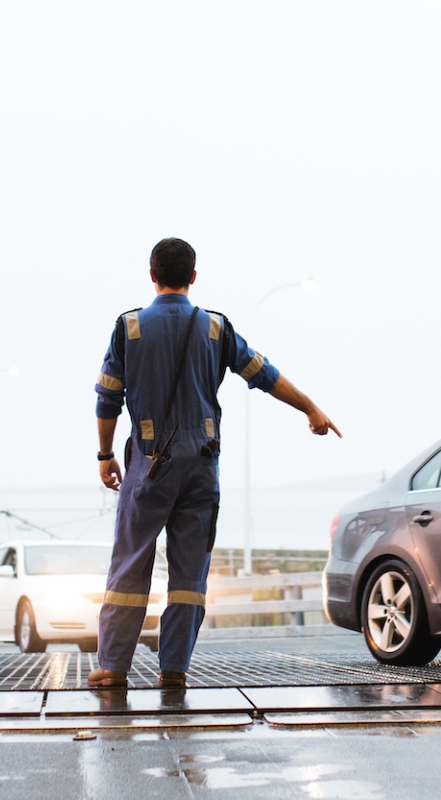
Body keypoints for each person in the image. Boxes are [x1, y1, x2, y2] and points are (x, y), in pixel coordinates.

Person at [88, 237, 341, 688]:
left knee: (129, 566)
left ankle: (112, 668)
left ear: (152, 275)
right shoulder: (214, 329)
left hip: (148, 466)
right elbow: (264, 375)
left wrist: (106, 455)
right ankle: (174, 670)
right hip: (202, 467)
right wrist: (310, 408)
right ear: (193, 277)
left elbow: (108, 399)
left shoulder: (129, 329)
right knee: (189, 574)